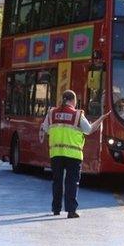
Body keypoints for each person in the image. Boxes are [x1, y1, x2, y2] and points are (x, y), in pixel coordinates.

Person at [40, 90, 110, 218]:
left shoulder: (51, 113)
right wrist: (101, 119)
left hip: (56, 153)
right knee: (71, 182)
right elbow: (89, 130)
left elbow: (45, 129)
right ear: (73, 100)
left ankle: (56, 209)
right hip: (73, 154)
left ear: (63, 99)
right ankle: (71, 211)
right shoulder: (77, 115)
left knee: (57, 181)